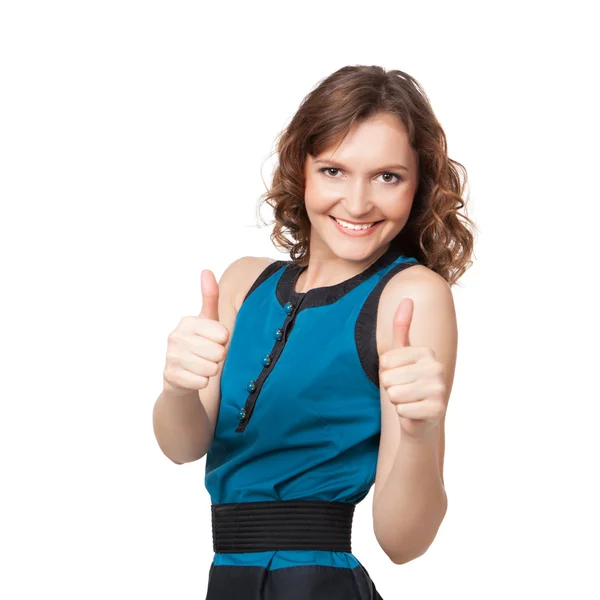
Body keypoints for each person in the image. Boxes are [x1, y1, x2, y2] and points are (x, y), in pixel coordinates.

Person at [153, 64, 476, 599]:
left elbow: (402, 542)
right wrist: (177, 387)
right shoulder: (242, 281)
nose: (357, 202)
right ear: (299, 168)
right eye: (333, 170)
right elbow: (181, 445)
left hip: (315, 585)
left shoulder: (409, 295)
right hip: (228, 579)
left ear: (418, 186)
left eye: (387, 176)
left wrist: (420, 433)